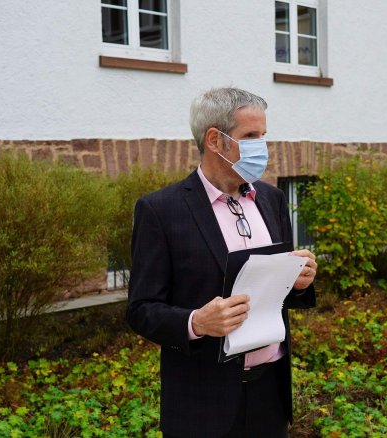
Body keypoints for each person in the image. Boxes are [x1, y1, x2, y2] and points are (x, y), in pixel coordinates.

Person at [126, 87, 317, 437]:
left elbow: (278, 292)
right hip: (202, 403)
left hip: (270, 394)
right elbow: (140, 309)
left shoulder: (271, 200)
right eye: (251, 136)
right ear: (215, 140)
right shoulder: (161, 210)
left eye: (264, 135)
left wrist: (300, 280)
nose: (263, 147)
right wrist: (196, 322)